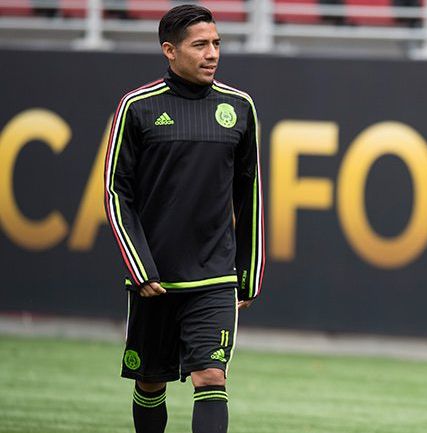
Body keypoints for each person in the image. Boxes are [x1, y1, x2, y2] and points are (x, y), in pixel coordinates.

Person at [103, 4, 265, 433]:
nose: (212, 53)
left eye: (216, 43)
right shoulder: (136, 108)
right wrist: (139, 266)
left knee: (211, 377)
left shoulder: (239, 107)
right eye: (200, 45)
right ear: (169, 51)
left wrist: (249, 270)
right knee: (151, 381)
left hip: (214, 276)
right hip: (154, 277)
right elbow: (117, 192)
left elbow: (249, 194)